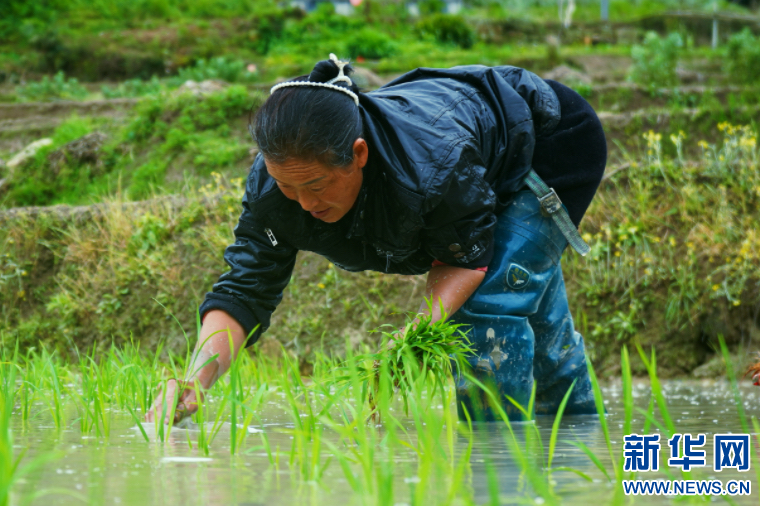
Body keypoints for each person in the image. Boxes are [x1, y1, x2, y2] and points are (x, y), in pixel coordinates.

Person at [145, 54, 607, 424]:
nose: (304, 203)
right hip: (470, 155)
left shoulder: (429, 169)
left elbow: (464, 259)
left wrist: (409, 342)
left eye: (318, 186)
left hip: (547, 140)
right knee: (521, 292)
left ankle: (499, 466)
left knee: (489, 306)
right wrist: (195, 382)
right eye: (289, 187)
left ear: (358, 154)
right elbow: (243, 289)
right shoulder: (273, 190)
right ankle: (580, 441)